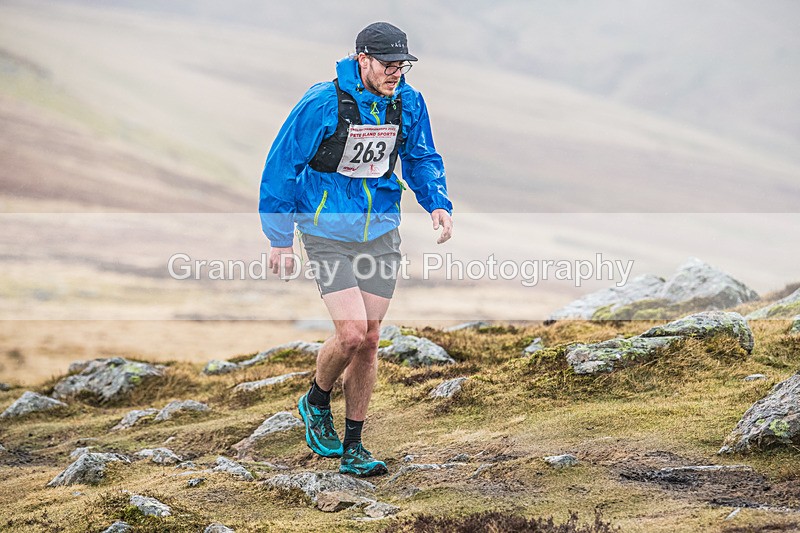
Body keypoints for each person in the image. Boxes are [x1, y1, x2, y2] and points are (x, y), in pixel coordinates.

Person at [258, 21, 453, 477]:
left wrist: (437, 204)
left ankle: (354, 448)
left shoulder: (408, 101)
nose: (396, 74)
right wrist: (279, 238)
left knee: (369, 340)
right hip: (325, 229)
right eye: (388, 65)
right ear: (362, 58)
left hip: (381, 229)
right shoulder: (322, 102)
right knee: (350, 333)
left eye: (402, 66)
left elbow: (421, 156)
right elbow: (282, 165)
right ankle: (316, 398)